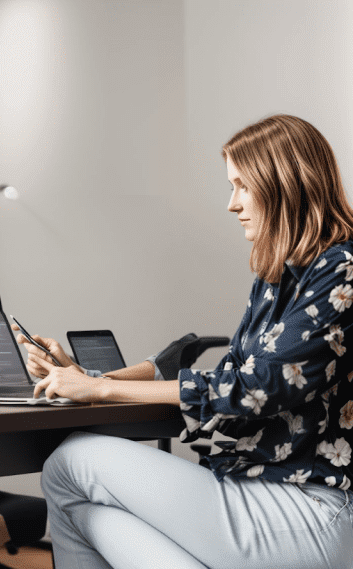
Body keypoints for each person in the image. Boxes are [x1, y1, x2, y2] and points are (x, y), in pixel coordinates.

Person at [20, 114, 353, 568]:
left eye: (241, 185)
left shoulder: (343, 269)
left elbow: (253, 388)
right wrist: (89, 378)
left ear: (282, 185)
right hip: (259, 487)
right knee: (85, 512)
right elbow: (228, 374)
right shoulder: (277, 279)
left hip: (311, 507)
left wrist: (100, 389)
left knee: (70, 461)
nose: (231, 203)